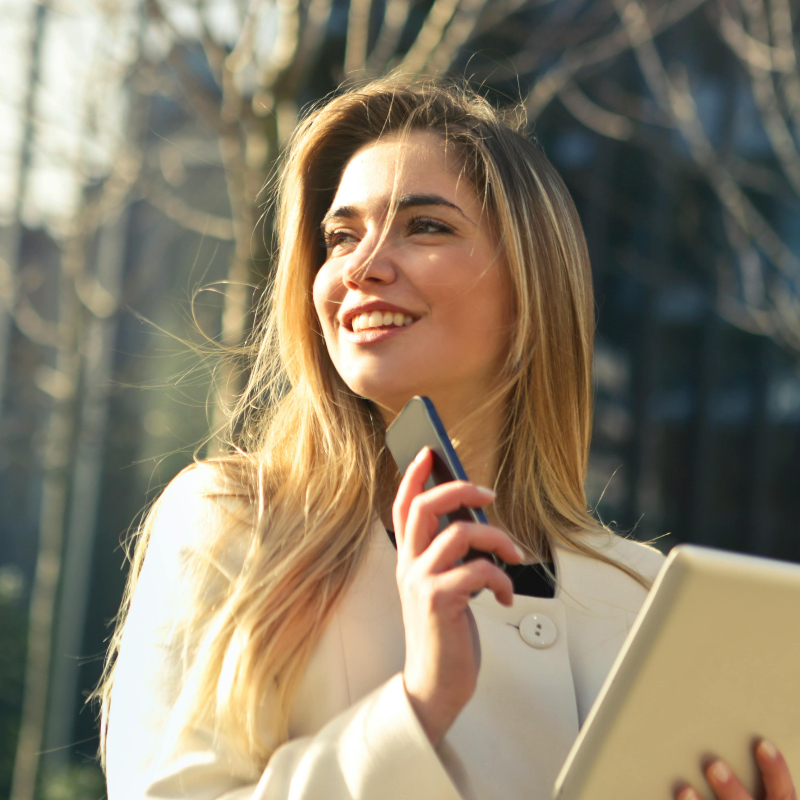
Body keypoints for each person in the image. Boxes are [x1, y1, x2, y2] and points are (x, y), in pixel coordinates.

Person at [94, 78, 796, 800]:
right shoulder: (237, 520)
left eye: (425, 226)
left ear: (532, 288)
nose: (362, 266)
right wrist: (417, 707)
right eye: (340, 236)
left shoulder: (644, 594)